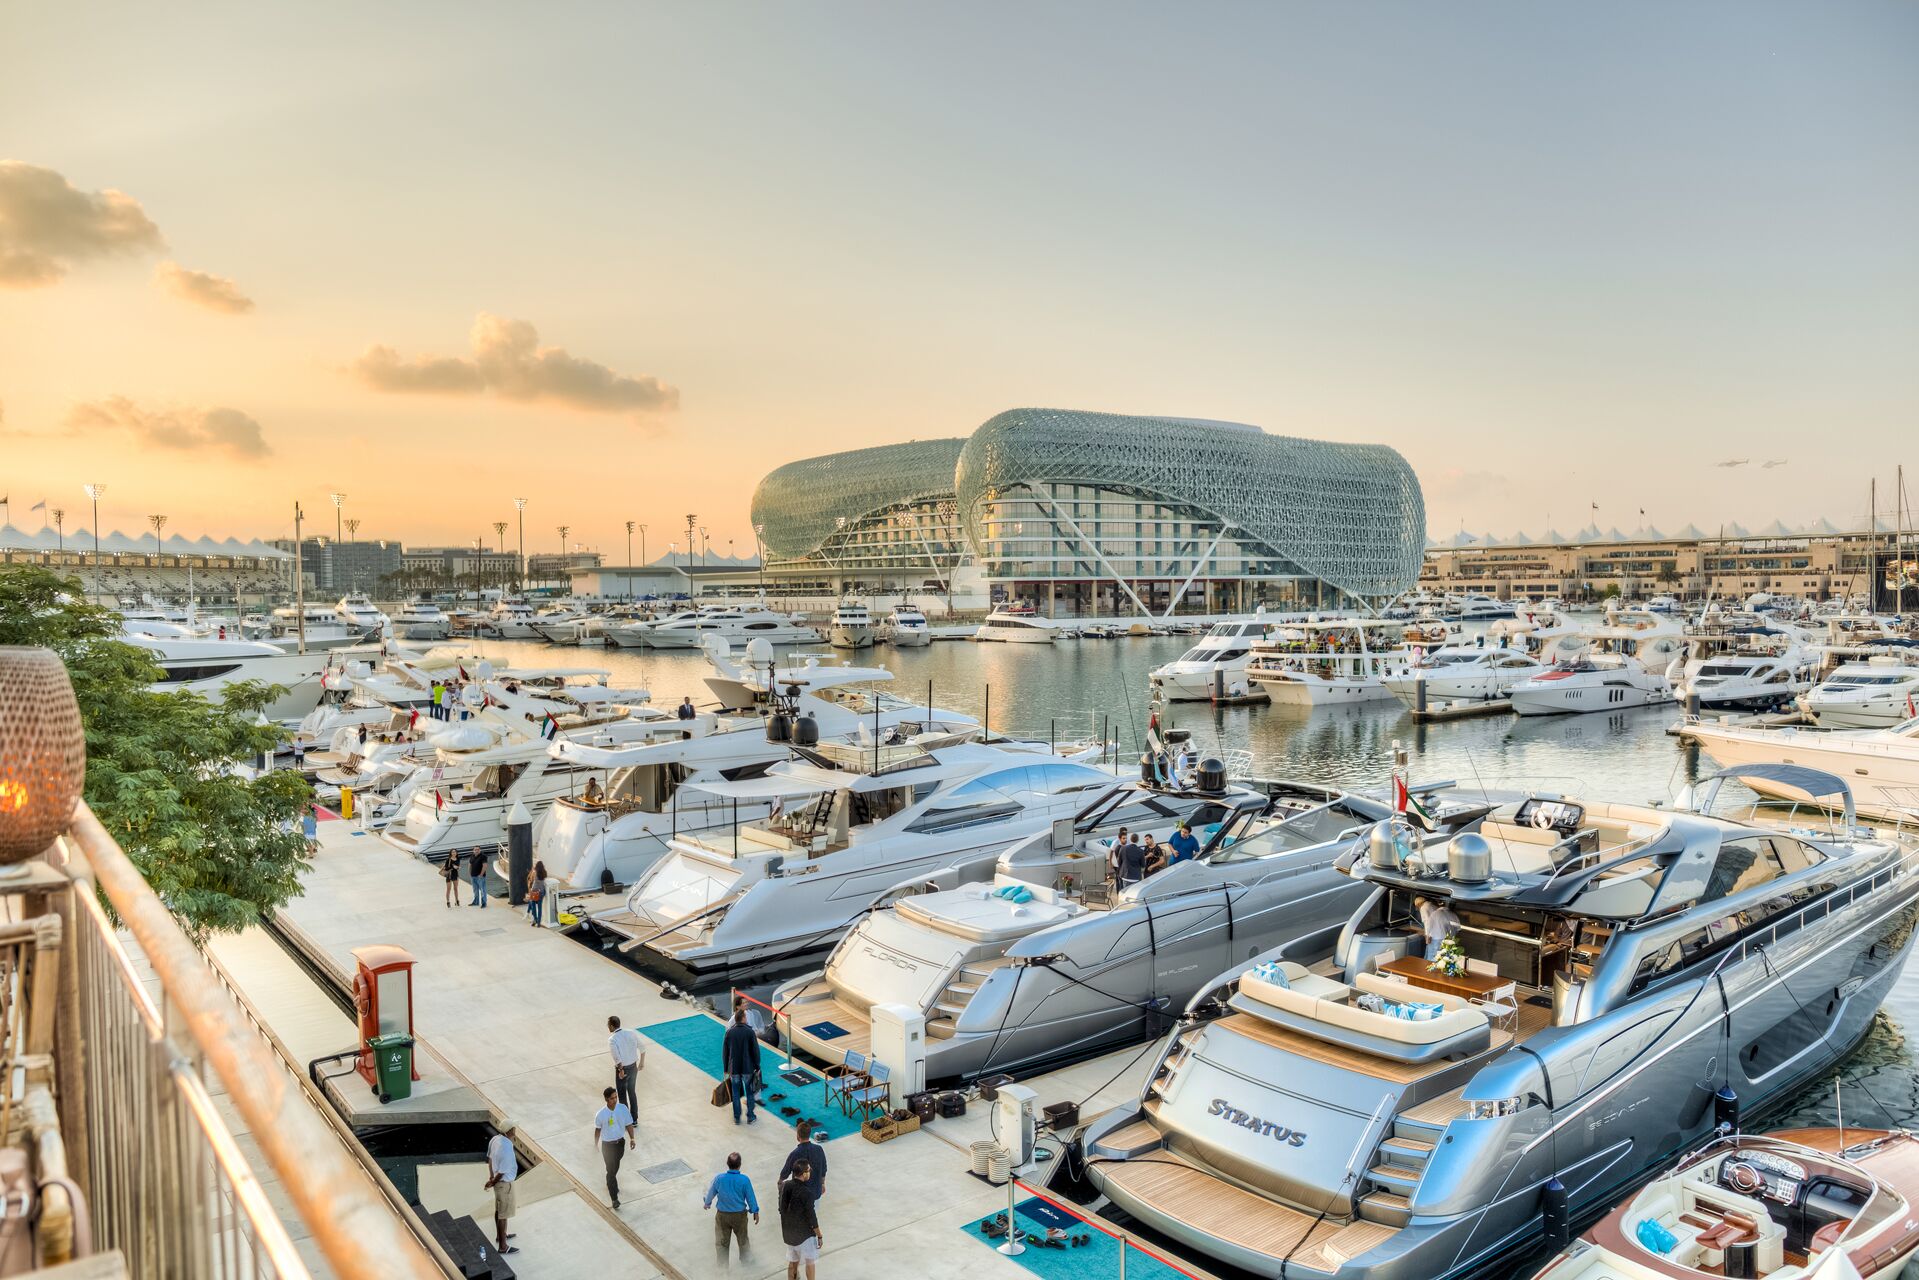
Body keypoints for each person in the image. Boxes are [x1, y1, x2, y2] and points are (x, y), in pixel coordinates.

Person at [704, 1151, 760, 1270]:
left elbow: (710, 1193)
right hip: (739, 1216)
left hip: (722, 1216)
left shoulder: (719, 1178)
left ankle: (723, 1269)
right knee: (743, 1239)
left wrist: (707, 1203)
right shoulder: (744, 1180)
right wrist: (755, 1211)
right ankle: (747, 1263)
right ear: (740, 1165)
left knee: (722, 1243)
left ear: (727, 1164)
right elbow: (750, 1197)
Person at [778, 1160, 822, 1280]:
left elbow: (781, 1208)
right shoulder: (807, 1192)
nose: (809, 1173)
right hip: (804, 1236)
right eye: (808, 1171)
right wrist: (819, 1235)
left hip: (789, 1234)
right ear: (803, 1174)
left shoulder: (785, 1185)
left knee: (793, 1262)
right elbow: (811, 1217)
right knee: (810, 1262)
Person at [594, 1085, 636, 1208]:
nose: (615, 1100)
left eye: (616, 1097)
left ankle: (611, 1182)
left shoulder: (622, 1108)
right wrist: (595, 1144)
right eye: (612, 1098)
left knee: (614, 1168)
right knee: (611, 1171)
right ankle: (614, 1199)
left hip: (620, 1144)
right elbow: (597, 1130)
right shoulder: (601, 1114)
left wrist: (632, 1138)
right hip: (607, 1146)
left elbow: (629, 1124)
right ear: (606, 1099)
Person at [722, 1007, 762, 1125]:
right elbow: (755, 1051)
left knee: (735, 1093)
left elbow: (725, 1052)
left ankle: (737, 1117)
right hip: (747, 1068)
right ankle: (750, 1116)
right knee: (750, 1092)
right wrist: (757, 1065)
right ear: (743, 1018)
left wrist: (726, 1068)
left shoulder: (729, 1032)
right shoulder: (749, 1032)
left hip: (734, 1068)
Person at [483, 1127, 520, 1257]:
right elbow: (503, 1171)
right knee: (503, 1215)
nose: (516, 1130)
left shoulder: (495, 1139)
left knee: (499, 1210)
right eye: (514, 1128)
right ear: (509, 1131)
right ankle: (503, 1247)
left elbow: (490, 1159)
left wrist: (491, 1177)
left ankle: (501, 1236)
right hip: (504, 1185)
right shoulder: (506, 1149)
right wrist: (492, 1181)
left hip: (498, 1184)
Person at [778, 1120, 827, 1203]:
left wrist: (780, 1182)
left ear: (798, 1136)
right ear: (810, 1134)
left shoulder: (795, 1154)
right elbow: (824, 1169)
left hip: (800, 1196)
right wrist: (822, 1184)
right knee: (813, 1214)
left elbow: (785, 1172)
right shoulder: (819, 1149)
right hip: (815, 1192)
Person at [608, 1015, 643, 1118]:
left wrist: (621, 1070)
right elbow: (642, 1047)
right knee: (632, 1092)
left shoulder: (612, 1039)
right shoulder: (631, 1033)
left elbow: (616, 1057)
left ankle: (627, 1119)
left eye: (608, 1025)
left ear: (611, 1026)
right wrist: (641, 1063)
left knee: (622, 1095)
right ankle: (634, 1118)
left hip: (622, 1069)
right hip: (633, 1067)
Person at [1415, 895, 1460, 961]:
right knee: (1444, 960)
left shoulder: (1431, 911)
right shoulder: (1453, 915)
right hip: (1449, 941)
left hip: (1436, 939)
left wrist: (1427, 936)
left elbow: (1427, 923)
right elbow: (1458, 929)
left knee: (1431, 960)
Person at [525, 859, 547, 927]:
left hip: (535, 892)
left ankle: (535, 919)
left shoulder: (535, 872)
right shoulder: (544, 873)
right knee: (539, 908)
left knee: (532, 905)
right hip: (542, 892)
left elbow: (532, 881)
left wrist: (531, 889)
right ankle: (538, 923)